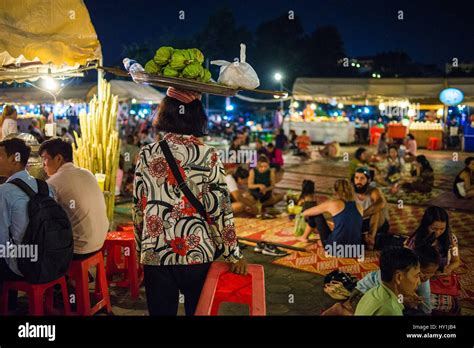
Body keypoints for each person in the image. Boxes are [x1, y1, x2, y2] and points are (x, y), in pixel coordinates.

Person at [134, 87, 247, 316]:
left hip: (156, 252)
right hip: (197, 254)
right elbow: (220, 208)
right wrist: (232, 252)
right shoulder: (209, 154)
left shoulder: (147, 153)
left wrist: (140, 248)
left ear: (165, 113)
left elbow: (139, 206)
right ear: (197, 115)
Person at [39, 138, 109, 260]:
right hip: (100, 242)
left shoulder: (53, 182)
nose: (43, 164)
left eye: (45, 159)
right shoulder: (87, 173)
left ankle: (62, 276)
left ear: (59, 158)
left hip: (79, 250)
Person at [0, 138, 54, 286]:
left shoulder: (4, 192)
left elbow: (2, 240)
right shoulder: (45, 187)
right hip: (51, 260)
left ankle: (8, 304)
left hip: (25, 265)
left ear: (14, 159)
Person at [354, 247, 421, 316]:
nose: (419, 282)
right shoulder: (391, 310)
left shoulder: (374, 291)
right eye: (416, 275)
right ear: (398, 277)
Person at [301, 179, 363, 247]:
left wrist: (301, 214)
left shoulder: (333, 203)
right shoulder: (359, 206)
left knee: (316, 214)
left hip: (335, 248)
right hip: (355, 249)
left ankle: (304, 237)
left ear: (336, 192)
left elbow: (306, 213)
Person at [406, 206, 461, 274]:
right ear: (426, 226)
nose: (438, 233)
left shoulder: (451, 239)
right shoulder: (415, 240)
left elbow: (456, 261)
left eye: (442, 229)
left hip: (440, 274)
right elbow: (408, 265)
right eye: (434, 229)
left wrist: (449, 268)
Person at [352, 167, 389, 250]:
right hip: (363, 222)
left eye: (362, 178)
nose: (359, 181)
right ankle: (364, 237)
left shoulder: (374, 191)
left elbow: (380, 203)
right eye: (356, 178)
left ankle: (371, 238)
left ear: (368, 181)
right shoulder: (351, 192)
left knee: (376, 209)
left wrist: (360, 215)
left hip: (380, 224)